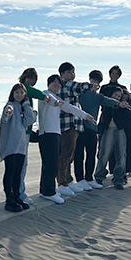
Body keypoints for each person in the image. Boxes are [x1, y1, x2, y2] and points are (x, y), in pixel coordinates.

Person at [38, 75, 95, 204]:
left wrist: (86, 116)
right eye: (55, 84)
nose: (58, 86)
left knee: (51, 163)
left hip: (55, 132)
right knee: (51, 164)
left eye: (59, 85)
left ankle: (46, 190)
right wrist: (56, 103)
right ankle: (49, 192)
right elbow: (50, 100)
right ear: (49, 83)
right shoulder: (45, 94)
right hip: (47, 133)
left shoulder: (57, 97)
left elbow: (69, 108)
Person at [75, 70, 131, 190]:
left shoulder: (101, 95)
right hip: (83, 127)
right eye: (93, 81)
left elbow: (108, 101)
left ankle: (118, 179)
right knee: (101, 154)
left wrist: (119, 103)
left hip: (110, 127)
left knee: (121, 154)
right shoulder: (81, 92)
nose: (95, 84)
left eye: (97, 82)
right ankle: (93, 178)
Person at [0, 83, 36, 212]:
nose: (19, 95)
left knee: (17, 174)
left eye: (22, 93)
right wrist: (8, 112)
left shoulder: (23, 107)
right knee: (10, 172)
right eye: (16, 92)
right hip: (10, 146)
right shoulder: (10, 106)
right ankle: (9, 200)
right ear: (12, 93)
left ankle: (16, 197)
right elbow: (5, 118)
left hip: (21, 147)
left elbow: (30, 120)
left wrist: (26, 104)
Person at [57, 62, 92, 196]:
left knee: (69, 155)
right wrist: (90, 86)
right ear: (62, 74)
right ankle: (62, 183)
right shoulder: (67, 85)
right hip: (68, 125)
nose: (72, 74)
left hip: (73, 125)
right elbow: (80, 86)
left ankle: (68, 180)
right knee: (66, 155)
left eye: (73, 72)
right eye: (70, 72)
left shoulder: (66, 86)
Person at [94, 87, 131, 190]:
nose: (117, 97)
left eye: (119, 96)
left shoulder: (123, 105)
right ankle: (99, 176)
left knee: (121, 155)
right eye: (115, 95)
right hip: (107, 130)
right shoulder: (106, 103)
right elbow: (106, 106)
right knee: (104, 154)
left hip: (120, 130)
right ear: (111, 95)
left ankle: (118, 179)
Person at [18, 68, 50, 205]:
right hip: (21, 133)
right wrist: (47, 97)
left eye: (34, 79)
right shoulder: (25, 89)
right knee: (21, 164)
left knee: (21, 164)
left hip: (25, 132)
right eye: (31, 78)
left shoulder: (24, 91)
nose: (32, 82)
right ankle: (20, 193)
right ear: (26, 78)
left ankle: (19, 192)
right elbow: (38, 94)